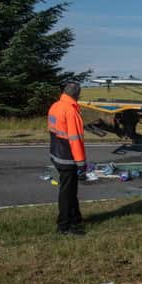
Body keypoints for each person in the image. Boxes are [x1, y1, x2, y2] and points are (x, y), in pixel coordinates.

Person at [47, 82, 86, 235]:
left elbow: (53, 130)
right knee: (67, 193)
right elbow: (75, 140)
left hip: (56, 154)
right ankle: (63, 226)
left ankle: (76, 219)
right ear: (77, 95)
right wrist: (81, 163)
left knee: (70, 190)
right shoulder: (71, 111)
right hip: (67, 158)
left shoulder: (55, 106)